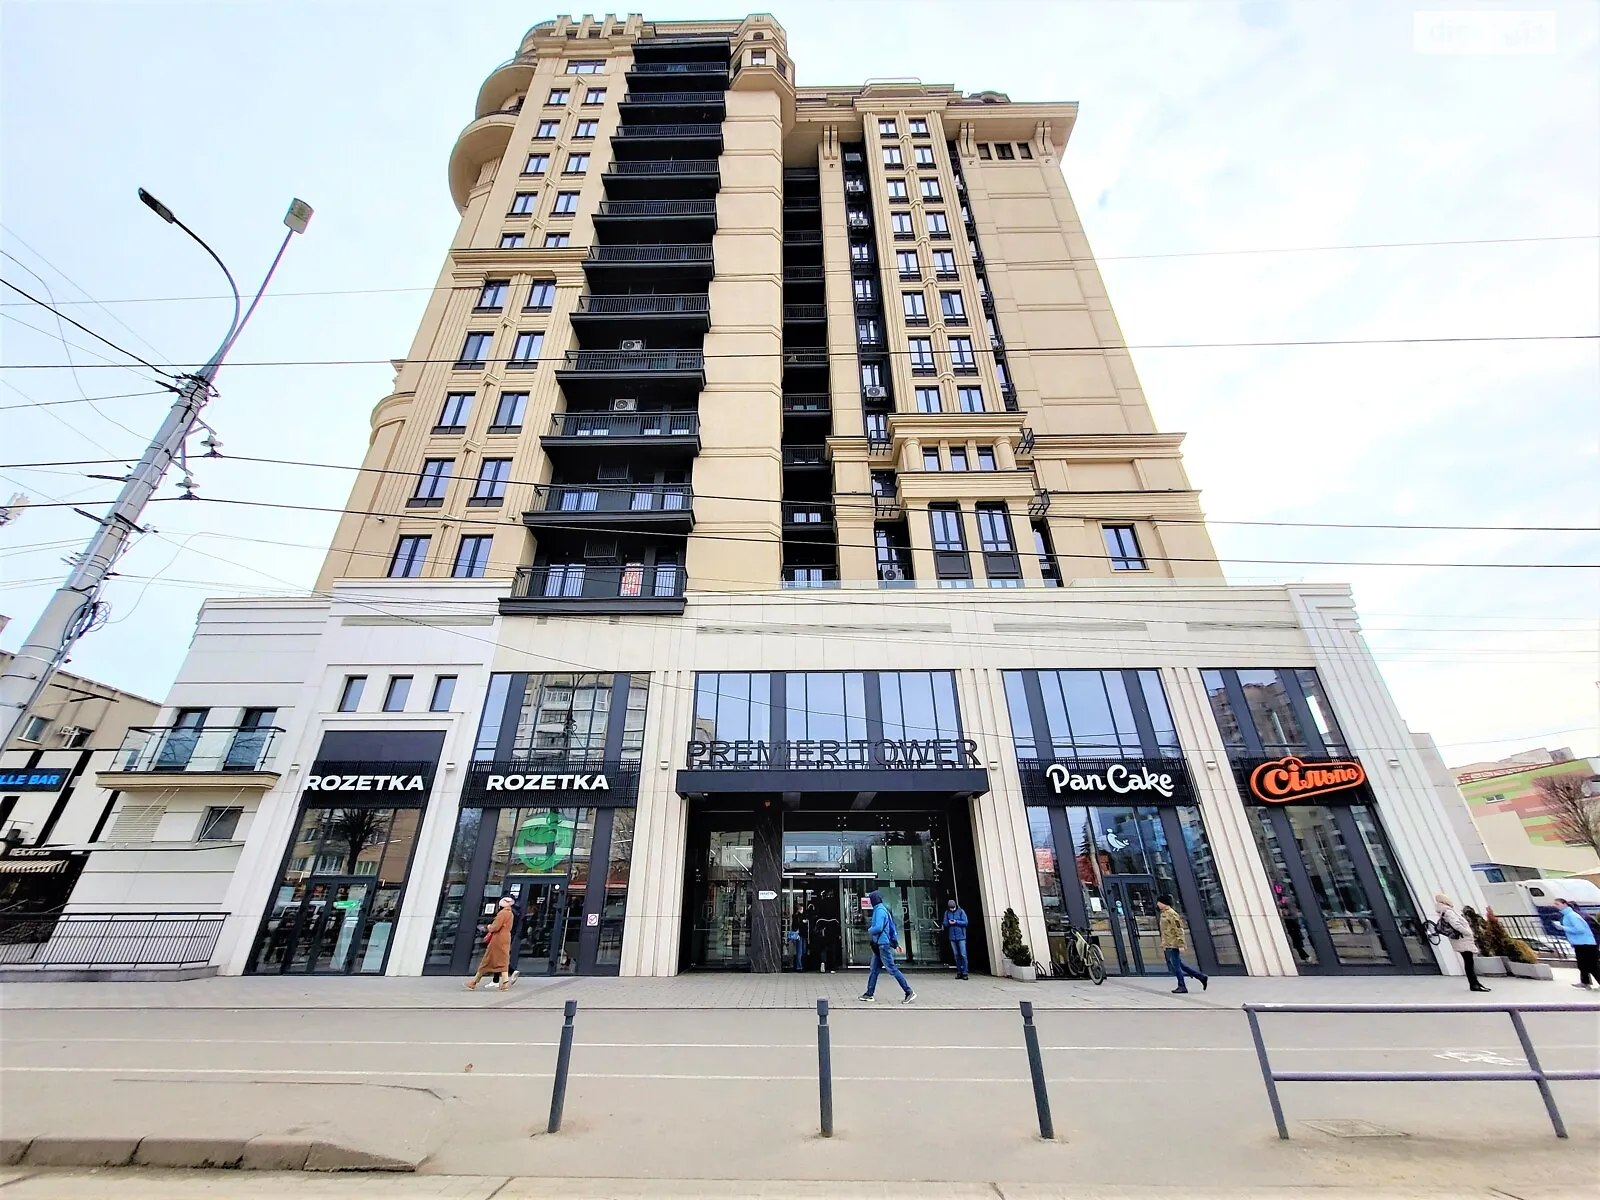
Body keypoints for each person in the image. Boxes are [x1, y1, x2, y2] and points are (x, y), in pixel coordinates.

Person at [859, 890, 914, 1003]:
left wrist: (870, 930)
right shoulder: (883, 909)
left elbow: (878, 928)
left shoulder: (879, 911)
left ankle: (909, 991)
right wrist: (895, 943)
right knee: (874, 969)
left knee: (892, 969)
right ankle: (869, 993)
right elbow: (891, 928)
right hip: (880, 945)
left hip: (882, 945)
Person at [1434, 893, 1488, 993]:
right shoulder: (1448, 911)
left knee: (1468, 961)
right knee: (1469, 962)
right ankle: (1474, 984)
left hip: (1461, 939)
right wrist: (1468, 932)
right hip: (1462, 939)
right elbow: (1456, 925)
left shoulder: (1444, 911)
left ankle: (1475, 983)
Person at [465, 896, 519, 992]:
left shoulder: (502, 914)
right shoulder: (510, 913)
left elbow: (495, 927)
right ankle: (505, 983)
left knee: (487, 960)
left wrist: (489, 927)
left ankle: (474, 982)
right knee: (503, 960)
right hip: (506, 937)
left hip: (498, 938)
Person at [1157, 895, 1208, 994]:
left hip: (1174, 944)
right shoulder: (1163, 913)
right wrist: (1164, 943)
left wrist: (1181, 944)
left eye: (1159, 902)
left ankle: (1182, 986)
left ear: (1164, 903)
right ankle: (1201, 977)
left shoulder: (1172, 914)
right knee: (1179, 965)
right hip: (1169, 943)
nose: (1158, 904)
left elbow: (1179, 929)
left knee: (1176, 966)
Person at [1553, 897, 1598, 989]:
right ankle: (1585, 982)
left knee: (1592, 965)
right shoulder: (1567, 915)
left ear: (1565, 904)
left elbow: (1580, 929)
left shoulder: (1572, 915)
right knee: (1582, 964)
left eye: (1557, 904)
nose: (1555, 906)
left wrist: (1563, 928)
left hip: (1586, 944)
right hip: (1580, 943)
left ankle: (1586, 982)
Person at [941, 898, 970, 979]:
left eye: (953, 908)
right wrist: (949, 922)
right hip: (952, 937)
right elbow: (945, 923)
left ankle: (965, 973)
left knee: (963, 954)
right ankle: (959, 972)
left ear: (955, 906)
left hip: (961, 936)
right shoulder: (947, 913)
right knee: (956, 955)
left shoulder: (961, 911)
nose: (952, 909)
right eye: (951, 908)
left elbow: (965, 922)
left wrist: (956, 922)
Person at [789, 902, 809, 972]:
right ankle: (799, 967)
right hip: (799, 935)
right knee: (800, 951)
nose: (802, 909)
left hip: (803, 934)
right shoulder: (796, 916)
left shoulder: (803, 915)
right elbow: (795, 925)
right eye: (801, 908)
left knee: (803, 951)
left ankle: (801, 966)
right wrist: (802, 922)